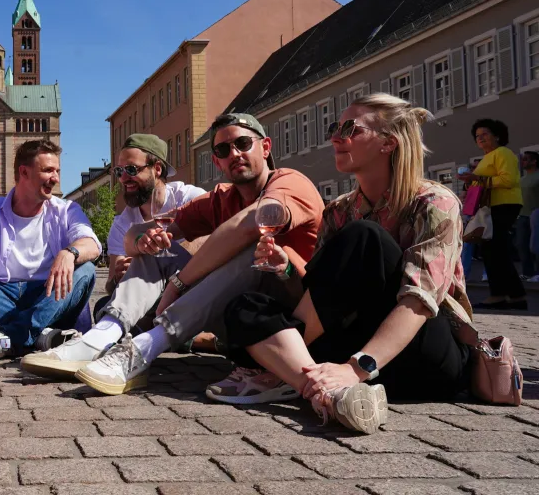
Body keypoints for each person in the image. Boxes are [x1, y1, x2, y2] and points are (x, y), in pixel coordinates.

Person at [213, 94, 474, 435]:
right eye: (336, 127)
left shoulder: (434, 203)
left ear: (388, 143)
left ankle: (294, 373)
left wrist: (357, 367)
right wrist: (287, 271)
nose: (335, 137)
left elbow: (419, 301)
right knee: (243, 307)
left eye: (350, 128)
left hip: (425, 358)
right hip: (356, 363)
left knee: (364, 237)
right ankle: (330, 395)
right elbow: (320, 297)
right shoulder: (338, 210)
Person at [22, 114, 323, 396]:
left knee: (250, 249)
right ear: (217, 162)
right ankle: (100, 337)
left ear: (266, 147)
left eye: (242, 144)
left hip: (290, 319)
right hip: (234, 314)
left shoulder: (289, 182)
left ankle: (143, 348)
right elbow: (138, 233)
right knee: (157, 248)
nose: (234, 154)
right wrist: (146, 242)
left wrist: (179, 282)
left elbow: (247, 225)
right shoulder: (220, 198)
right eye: (222, 149)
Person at [0, 140, 101, 363]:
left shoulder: (66, 209)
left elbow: (91, 244)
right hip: (0, 296)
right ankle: (37, 336)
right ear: (24, 172)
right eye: (48, 170)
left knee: (85, 269)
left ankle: (9, 340)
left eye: (57, 171)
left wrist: (70, 252)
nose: (55, 178)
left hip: (48, 295)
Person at [81, 135, 206, 337]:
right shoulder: (122, 224)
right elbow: (112, 285)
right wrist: (118, 277)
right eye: (119, 171)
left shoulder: (188, 198)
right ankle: (188, 336)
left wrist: (161, 259)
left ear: (157, 169)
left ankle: (161, 333)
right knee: (104, 306)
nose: (123, 179)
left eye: (131, 170)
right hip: (150, 298)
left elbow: (212, 241)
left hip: (192, 288)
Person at [457, 119, 526, 308]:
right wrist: (469, 182)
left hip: (504, 204)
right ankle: (510, 294)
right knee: (493, 251)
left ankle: (504, 294)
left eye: (484, 134)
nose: (480, 138)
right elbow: (481, 183)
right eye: (477, 136)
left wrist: (477, 178)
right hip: (492, 206)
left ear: (497, 135)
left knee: (495, 250)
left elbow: (509, 180)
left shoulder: (503, 153)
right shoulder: (487, 157)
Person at [517, 151, 538, 282]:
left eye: (526, 159)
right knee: (521, 245)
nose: (523, 162)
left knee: (535, 245)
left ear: (534, 161)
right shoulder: (522, 179)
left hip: (536, 215)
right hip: (522, 216)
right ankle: (527, 273)